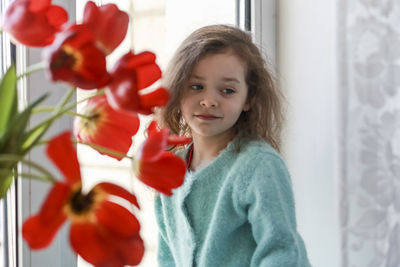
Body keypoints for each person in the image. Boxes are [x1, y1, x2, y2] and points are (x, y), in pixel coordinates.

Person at [155, 24, 311, 267]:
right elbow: (167, 256)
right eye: (196, 86)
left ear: (249, 99)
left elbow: (281, 251)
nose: (208, 101)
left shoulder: (259, 166)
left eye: (227, 90)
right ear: (177, 89)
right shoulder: (168, 169)